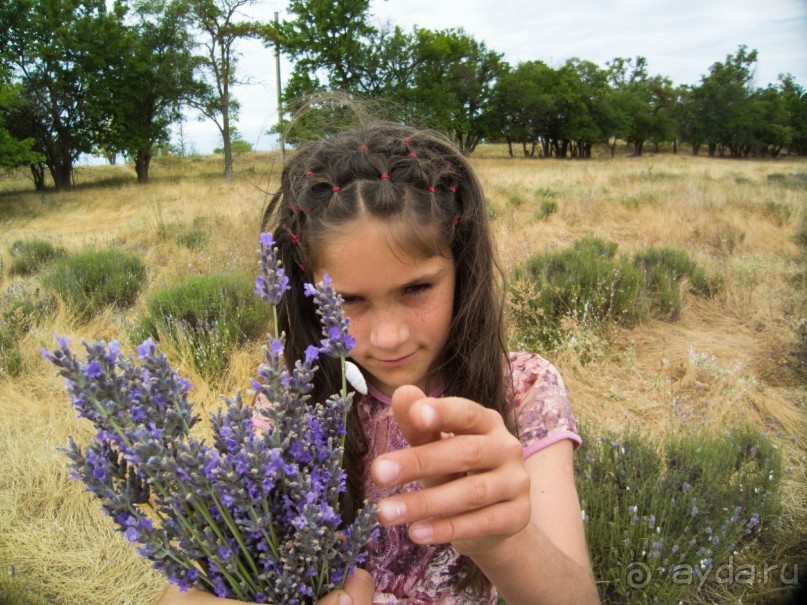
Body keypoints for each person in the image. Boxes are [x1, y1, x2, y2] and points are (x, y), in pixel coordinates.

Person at [161, 122, 599, 605]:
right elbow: (206, 570)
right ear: (312, 302)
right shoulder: (290, 399)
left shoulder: (525, 390)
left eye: (416, 289)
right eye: (348, 299)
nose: (388, 337)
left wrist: (505, 538)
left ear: (462, 271)